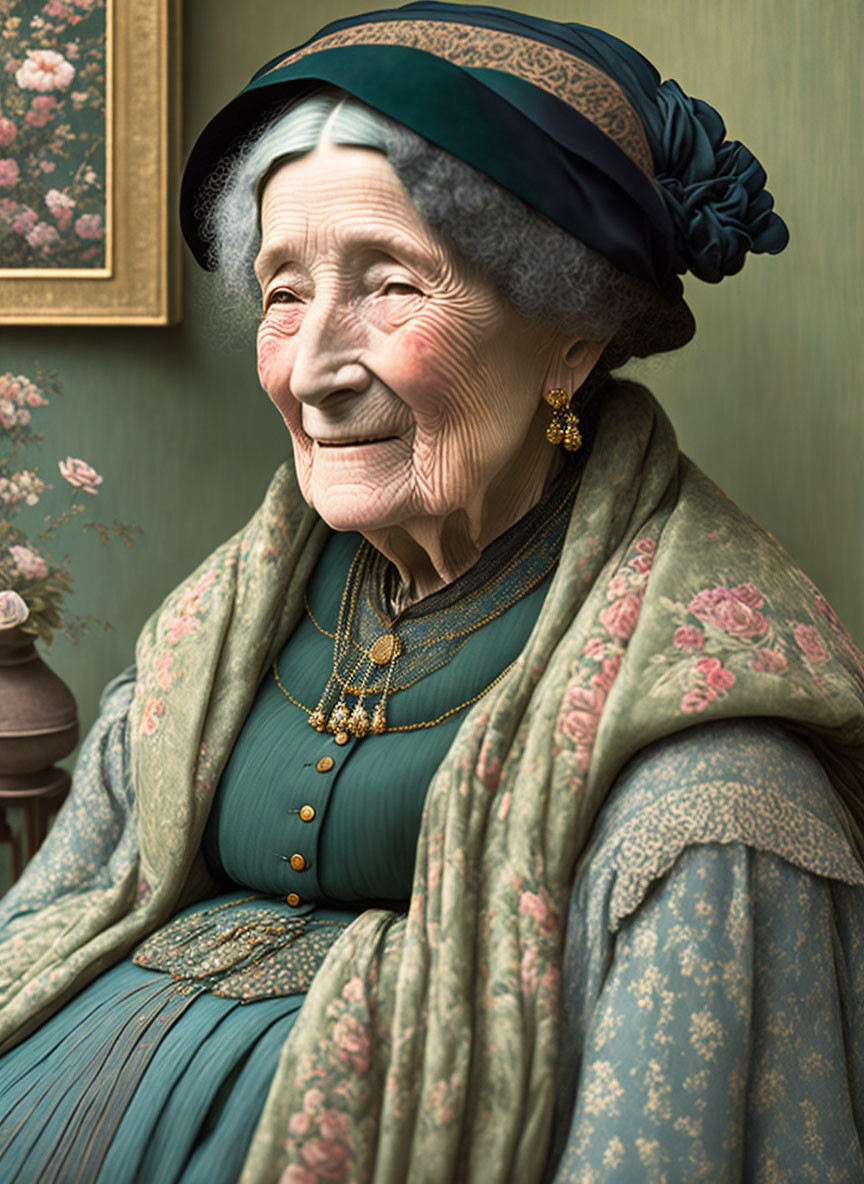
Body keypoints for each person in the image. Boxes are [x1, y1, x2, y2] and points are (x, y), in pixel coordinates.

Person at [2, 4, 864, 1181]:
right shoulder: (227, 617)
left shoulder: (710, 781)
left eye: (393, 284)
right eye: (284, 291)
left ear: (569, 340)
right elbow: (57, 915)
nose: (310, 368)